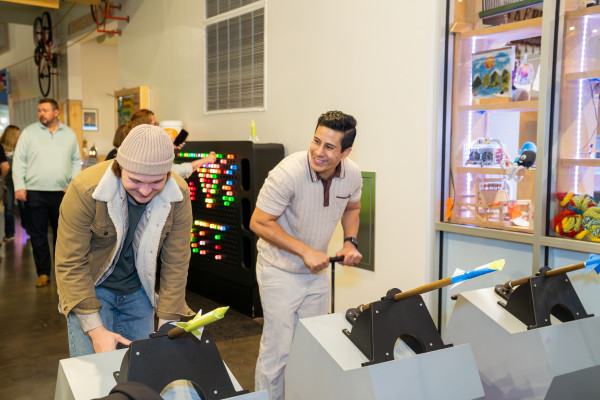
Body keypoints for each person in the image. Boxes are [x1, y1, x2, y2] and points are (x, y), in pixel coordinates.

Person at [250, 110, 363, 400]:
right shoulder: (288, 172)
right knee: (279, 351)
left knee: (311, 346)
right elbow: (259, 222)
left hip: (316, 273)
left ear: (346, 152)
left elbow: (352, 208)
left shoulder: (352, 174)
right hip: (278, 270)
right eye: (316, 141)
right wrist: (304, 250)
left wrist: (350, 242)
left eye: (329, 147)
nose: (318, 152)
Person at [55, 124, 195, 357]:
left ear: (168, 174)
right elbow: (70, 262)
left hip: (140, 290)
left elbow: (177, 261)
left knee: (142, 371)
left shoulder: (177, 195)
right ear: (120, 168)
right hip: (92, 287)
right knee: (92, 375)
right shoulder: (85, 190)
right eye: (136, 181)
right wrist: (96, 331)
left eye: (156, 182)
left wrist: (168, 325)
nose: (145, 191)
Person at [13, 98, 82, 288]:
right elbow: (19, 161)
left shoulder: (69, 134)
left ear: (56, 112)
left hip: (62, 192)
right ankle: (43, 273)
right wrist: (19, 186)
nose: (41, 113)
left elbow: (77, 160)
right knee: (38, 235)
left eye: (45, 110)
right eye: (39, 110)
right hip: (35, 192)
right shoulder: (29, 133)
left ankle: (62, 274)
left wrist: (73, 184)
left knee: (63, 237)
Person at [0, 125, 23, 241]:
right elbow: (5, 167)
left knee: (24, 206)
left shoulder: (21, 148)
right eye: (17, 134)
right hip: (8, 181)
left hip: (20, 180)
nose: (19, 136)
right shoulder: (1, 148)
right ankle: (9, 233)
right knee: (8, 207)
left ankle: (29, 228)